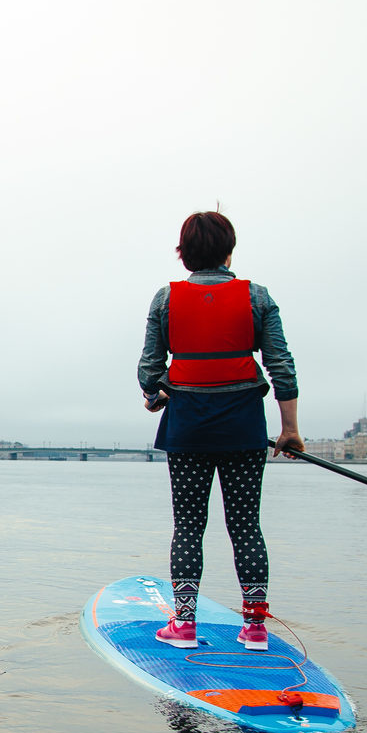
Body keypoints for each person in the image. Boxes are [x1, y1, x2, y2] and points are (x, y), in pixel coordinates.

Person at [137, 210, 301, 651]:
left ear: (183, 254)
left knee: (189, 524)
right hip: (243, 426)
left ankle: (185, 625)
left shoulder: (165, 299)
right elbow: (281, 365)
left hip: (187, 427)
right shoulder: (257, 297)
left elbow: (149, 370)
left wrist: (155, 396)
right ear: (229, 252)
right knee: (246, 525)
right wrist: (289, 429)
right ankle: (255, 629)